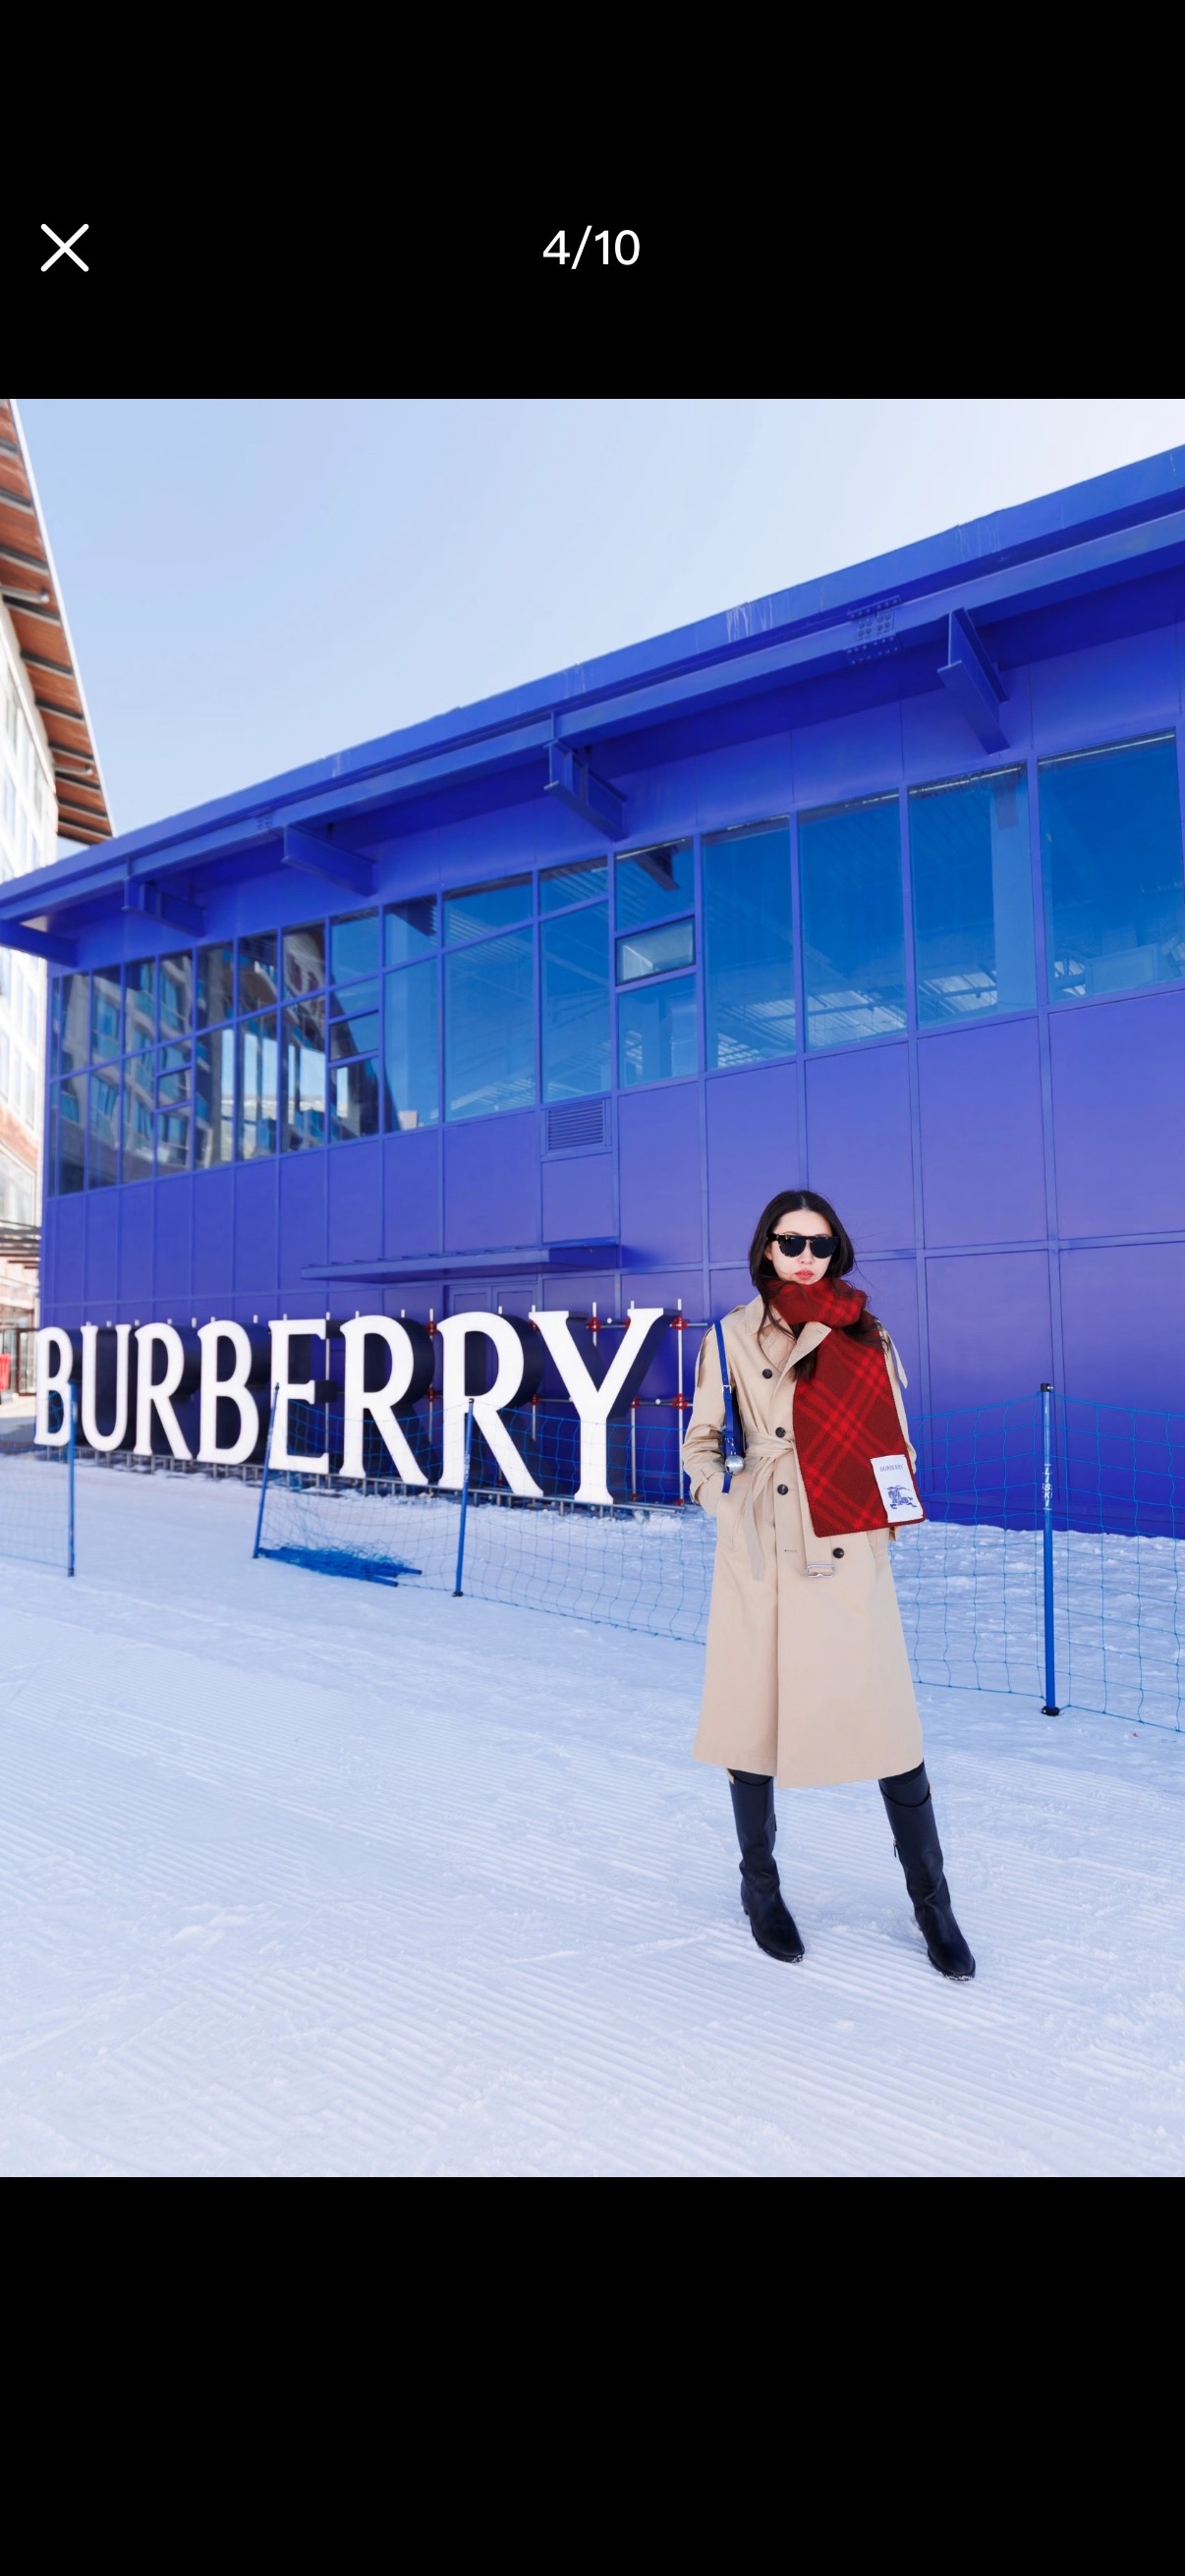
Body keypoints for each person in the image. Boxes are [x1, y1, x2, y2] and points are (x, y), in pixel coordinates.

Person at [683, 1189, 975, 1981]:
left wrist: (887, 1514)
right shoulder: (731, 1335)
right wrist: (727, 1500)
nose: (806, 1257)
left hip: (849, 1544)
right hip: (767, 1545)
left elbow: (895, 1442)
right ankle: (760, 1888)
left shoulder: (867, 1331)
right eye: (791, 1243)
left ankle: (933, 1903)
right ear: (766, 1248)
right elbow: (700, 1442)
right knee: (753, 1722)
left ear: (835, 1250)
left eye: (820, 1244)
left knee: (890, 1726)